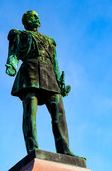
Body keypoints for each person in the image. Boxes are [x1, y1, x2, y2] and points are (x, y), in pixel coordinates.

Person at [5, 10, 74, 156]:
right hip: (30, 73)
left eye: (38, 16)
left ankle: (65, 150)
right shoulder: (20, 35)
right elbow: (14, 53)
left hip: (49, 75)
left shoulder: (50, 40)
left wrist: (60, 84)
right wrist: (11, 65)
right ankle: (33, 148)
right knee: (30, 112)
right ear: (26, 21)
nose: (37, 18)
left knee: (59, 112)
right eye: (33, 16)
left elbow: (55, 63)